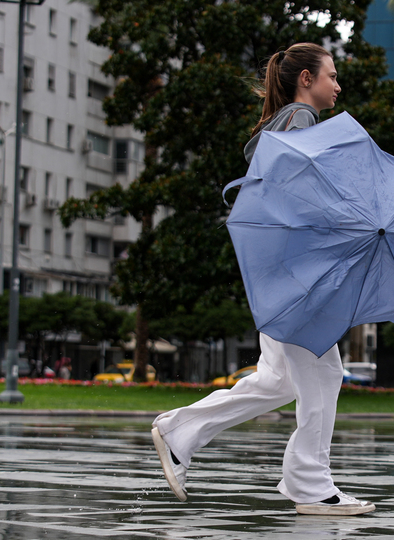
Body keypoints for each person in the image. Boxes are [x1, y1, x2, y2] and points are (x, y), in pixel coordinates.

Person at [151, 43, 374, 516]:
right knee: (324, 372)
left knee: (277, 381)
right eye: (331, 76)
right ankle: (310, 484)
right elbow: (295, 191)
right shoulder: (301, 120)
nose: (338, 85)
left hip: (278, 270)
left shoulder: (283, 123)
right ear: (306, 80)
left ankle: (179, 431)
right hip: (297, 274)